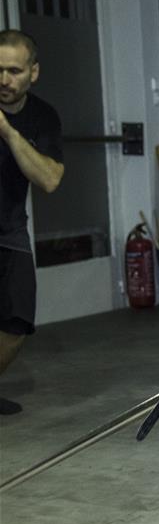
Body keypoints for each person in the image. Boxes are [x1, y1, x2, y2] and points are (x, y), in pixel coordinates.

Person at [0, 30, 64, 415]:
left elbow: (50, 179)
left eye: (14, 71)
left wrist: (8, 131)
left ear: (33, 73)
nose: (4, 80)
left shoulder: (42, 116)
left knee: (17, 321)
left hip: (9, 228)